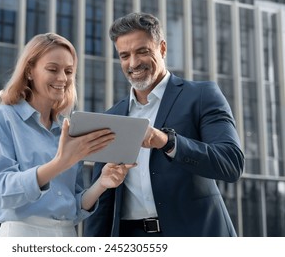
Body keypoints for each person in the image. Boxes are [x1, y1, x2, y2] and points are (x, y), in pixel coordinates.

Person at [84, 12, 245, 237]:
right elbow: (104, 203)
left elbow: (231, 163)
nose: (133, 63)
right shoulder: (113, 116)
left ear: (162, 49)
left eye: (142, 51)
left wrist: (167, 142)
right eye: (124, 55)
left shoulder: (201, 96)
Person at [0, 32, 135, 237]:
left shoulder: (67, 129)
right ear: (29, 71)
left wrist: (102, 184)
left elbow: (73, 208)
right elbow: (0, 192)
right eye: (52, 69)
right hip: (23, 234)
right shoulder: (3, 118)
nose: (62, 78)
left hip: (67, 234)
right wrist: (60, 162)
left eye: (69, 71)